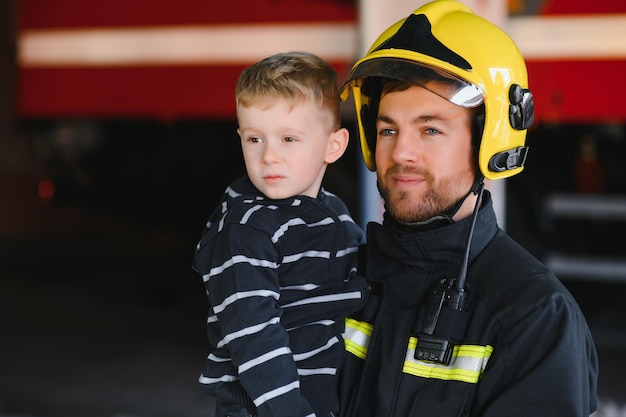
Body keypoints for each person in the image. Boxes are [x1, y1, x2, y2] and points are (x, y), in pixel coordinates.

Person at [337, 1, 599, 416]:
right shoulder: (334, 275)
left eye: (430, 129)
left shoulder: (534, 319)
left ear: (489, 140)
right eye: (388, 129)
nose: (401, 151)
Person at [192, 51, 368, 417]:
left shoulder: (335, 213)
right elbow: (254, 336)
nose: (269, 156)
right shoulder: (247, 230)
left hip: (327, 396)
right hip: (267, 405)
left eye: (288, 139)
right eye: (255, 140)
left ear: (333, 146)